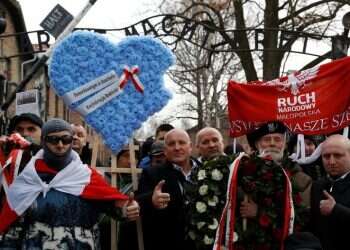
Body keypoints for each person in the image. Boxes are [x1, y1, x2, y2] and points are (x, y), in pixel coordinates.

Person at [0, 118, 139, 249]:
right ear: (43, 141)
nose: (60, 145)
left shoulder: (87, 177)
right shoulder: (29, 178)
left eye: (65, 139)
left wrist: (127, 208)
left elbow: (112, 205)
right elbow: (13, 229)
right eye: (53, 139)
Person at [137, 128, 199, 250]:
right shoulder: (151, 173)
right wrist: (152, 200)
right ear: (165, 150)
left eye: (182, 142)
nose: (177, 147)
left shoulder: (206, 170)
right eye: (171, 144)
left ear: (190, 146)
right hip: (168, 243)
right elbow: (139, 200)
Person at [310, 134, 350, 250]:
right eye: (326, 156)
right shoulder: (317, 186)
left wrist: (336, 210)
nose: (331, 161)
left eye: (338, 155)